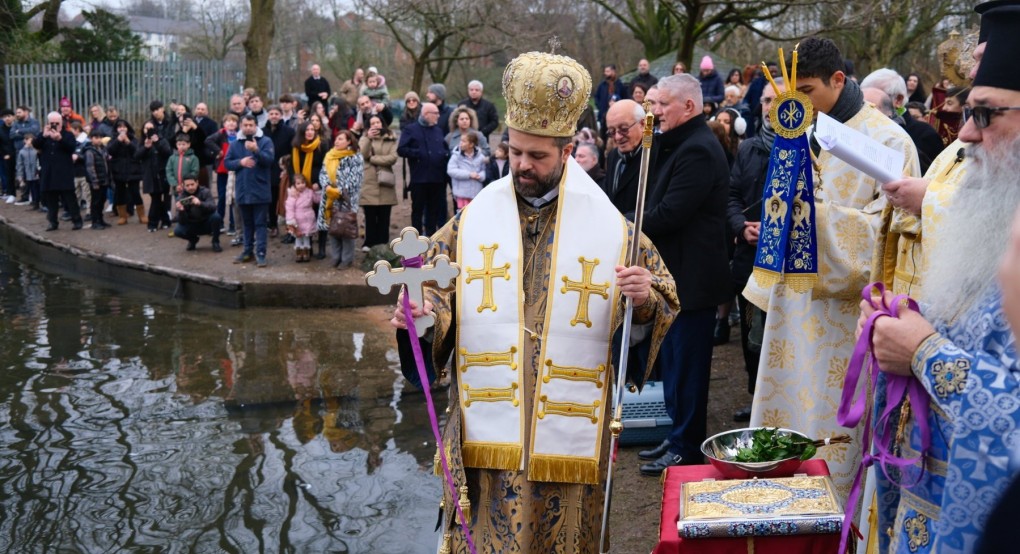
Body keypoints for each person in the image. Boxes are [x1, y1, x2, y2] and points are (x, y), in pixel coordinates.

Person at [391, 50, 678, 554]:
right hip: (487, 433)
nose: (522, 165)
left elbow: (662, 296)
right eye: (515, 151)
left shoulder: (610, 226)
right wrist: (422, 315)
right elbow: (435, 282)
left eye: (537, 156)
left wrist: (644, 300)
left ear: (566, 151)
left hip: (567, 438)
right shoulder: (473, 218)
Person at [741, 37, 921, 501]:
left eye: (806, 90)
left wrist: (812, 220)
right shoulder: (797, 129)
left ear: (838, 80)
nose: (796, 102)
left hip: (846, 326)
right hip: (792, 314)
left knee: (835, 450)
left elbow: (893, 238)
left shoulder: (889, 140)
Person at [867, 4, 1015, 550]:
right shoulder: (999, 212)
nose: (966, 137)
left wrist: (924, 352)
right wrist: (906, 327)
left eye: (985, 115)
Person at [634, 74, 732, 476]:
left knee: (688, 370)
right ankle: (675, 436)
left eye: (662, 105)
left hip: (694, 279)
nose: (654, 112)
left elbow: (671, 213)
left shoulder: (698, 150)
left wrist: (629, 224)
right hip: (676, 276)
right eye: (653, 104)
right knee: (672, 363)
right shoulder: (678, 143)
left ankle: (687, 446)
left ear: (689, 106)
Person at [727, 79, 784, 422]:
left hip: (787, 264)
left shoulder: (809, 147)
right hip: (749, 259)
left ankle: (781, 398)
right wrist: (740, 226)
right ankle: (756, 397)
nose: (769, 107)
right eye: (765, 100)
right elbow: (732, 196)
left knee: (781, 332)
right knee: (751, 334)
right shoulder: (748, 148)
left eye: (776, 101)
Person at [861, 68, 946, 174]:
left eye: (876, 95)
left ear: (898, 100)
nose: (864, 104)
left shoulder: (926, 135)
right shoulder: (860, 125)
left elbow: (929, 179)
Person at [225, 115, 275, 268]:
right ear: (241, 126)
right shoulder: (235, 144)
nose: (248, 128)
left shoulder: (265, 141)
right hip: (242, 190)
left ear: (255, 126)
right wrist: (241, 162)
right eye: (245, 125)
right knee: (247, 224)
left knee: (260, 224)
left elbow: (269, 160)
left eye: (250, 125)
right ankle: (247, 251)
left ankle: (260, 253)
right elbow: (227, 163)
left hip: (260, 190)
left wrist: (256, 150)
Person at [397, 101, 449, 237]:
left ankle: (431, 237)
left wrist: (444, 155)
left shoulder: (438, 130)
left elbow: (444, 148)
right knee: (418, 210)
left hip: (437, 178)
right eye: (435, 113)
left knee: (433, 210)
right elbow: (401, 149)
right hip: (419, 178)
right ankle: (416, 237)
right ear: (426, 114)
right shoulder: (410, 129)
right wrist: (418, 154)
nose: (438, 116)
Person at [317, 130, 362, 269]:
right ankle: (335, 257)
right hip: (329, 196)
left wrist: (340, 190)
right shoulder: (330, 155)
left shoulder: (355, 157)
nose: (337, 141)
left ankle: (347, 259)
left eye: (341, 139)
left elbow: (356, 179)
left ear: (349, 141)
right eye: (336, 139)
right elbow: (323, 173)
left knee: (346, 227)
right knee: (333, 227)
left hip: (346, 198)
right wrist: (327, 186)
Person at [34, 112, 83, 231]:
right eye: (52, 123)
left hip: (64, 172)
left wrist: (60, 139)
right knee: (51, 200)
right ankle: (52, 222)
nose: (55, 125)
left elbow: (72, 147)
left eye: (57, 123)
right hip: (49, 172)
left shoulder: (67, 134)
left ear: (61, 123)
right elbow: (36, 144)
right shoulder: (43, 134)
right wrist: (44, 136)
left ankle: (77, 220)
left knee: (70, 198)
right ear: (48, 123)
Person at [601, 99, 647, 219]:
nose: (617, 137)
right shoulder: (613, 156)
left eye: (624, 129)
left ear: (643, 124)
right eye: (611, 131)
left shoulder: (656, 154)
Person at [358, 114, 398, 250]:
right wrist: (368, 138)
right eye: (372, 123)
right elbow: (362, 155)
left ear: (382, 123)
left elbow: (392, 158)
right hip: (368, 180)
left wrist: (373, 159)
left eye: (378, 122)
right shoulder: (364, 138)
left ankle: (383, 243)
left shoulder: (391, 138)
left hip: (385, 181)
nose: (376, 125)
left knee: (384, 216)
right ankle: (369, 243)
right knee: (370, 215)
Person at [262, 104, 295, 238]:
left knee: (285, 200)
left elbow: (292, 151)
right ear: (268, 116)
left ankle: (289, 227)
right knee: (271, 199)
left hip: (283, 171)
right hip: (268, 170)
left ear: (281, 115)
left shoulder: (289, 132)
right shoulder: (263, 132)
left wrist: (286, 165)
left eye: (276, 114)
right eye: (271, 114)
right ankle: (273, 225)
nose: (274, 116)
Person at [135, 120, 173, 232]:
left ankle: (156, 222)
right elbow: (137, 156)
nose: (148, 131)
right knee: (156, 199)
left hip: (162, 175)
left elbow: (168, 153)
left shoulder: (162, 140)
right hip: (149, 176)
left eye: (151, 128)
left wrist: (157, 142)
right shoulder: (142, 142)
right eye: (146, 128)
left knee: (160, 200)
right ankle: (158, 222)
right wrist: (146, 148)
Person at [205, 114, 240, 233]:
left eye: (234, 121)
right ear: (224, 124)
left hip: (235, 170)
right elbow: (208, 140)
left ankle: (232, 224)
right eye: (228, 121)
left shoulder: (239, 135)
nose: (231, 123)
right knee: (222, 197)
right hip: (222, 170)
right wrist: (218, 151)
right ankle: (218, 223)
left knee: (233, 198)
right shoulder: (220, 133)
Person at [107, 120, 144, 225]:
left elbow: (137, 151)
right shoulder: (113, 140)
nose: (122, 129)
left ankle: (142, 215)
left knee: (135, 193)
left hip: (133, 170)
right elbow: (110, 151)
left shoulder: (134, 139)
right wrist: (118, 141)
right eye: (119, 127)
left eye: (124, 127)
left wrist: (128, 142)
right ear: (116, 129)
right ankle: (123, 216)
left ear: (128, 128)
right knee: (120, 193)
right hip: (118, 170)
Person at [174, 175, 222, 252]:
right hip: (192, 224)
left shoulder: (205, 191)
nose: (190, 187)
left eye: (192, 184)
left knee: (216, 217)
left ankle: (215, 241)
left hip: (206, 222)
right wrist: (181, 211)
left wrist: (200, 204)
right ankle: (193, 240)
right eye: (187, 185)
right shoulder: (181, 198)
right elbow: (181, 221)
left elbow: (213, 207)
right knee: (177, 231)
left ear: (197, 183)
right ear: (183, 186)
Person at [447, 132, 487, 211]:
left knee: (475, 213)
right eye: (460, 141)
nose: (460, 143)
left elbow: (484, 170)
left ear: (471, 144)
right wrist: (469, 174)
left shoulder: (481, 157)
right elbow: (451, 170)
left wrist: (480, 176)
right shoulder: (456, 156)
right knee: (462, 216)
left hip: (476, 193)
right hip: (461, 194)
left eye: (464, 141)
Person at [80, 130, 112, 230]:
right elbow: (90, 168)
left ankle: (100, 219)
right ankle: (95, 221)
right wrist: (94, 181)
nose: (99, 140)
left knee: (102, 200)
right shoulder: (90, 151)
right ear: (91, 139)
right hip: (96, 181)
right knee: (96, 201)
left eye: (100, 138)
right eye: (96, 138)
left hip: (103, 179)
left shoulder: (102, 149)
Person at [284, 174, 318, 262]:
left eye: (303, 183)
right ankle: (299, 254)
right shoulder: (293, 194)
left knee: (306, 236)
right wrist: (291, 221)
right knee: (298, 237)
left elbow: (317, 199)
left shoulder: (310, 192)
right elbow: (289, 208)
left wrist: (318, 191)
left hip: (308, 219)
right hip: (297, 220)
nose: (301, 185)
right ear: (294, 184)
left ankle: (306, 253)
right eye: (298, 183)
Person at [593, 64, 628, 142]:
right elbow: (596, 97)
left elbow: (625, 98)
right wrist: (600, 107)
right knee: (604, 136)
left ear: (613, 71)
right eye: (605, 71)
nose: (606, 73)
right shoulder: (602, 85)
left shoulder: (620, 85)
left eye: (608, 71)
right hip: (604, 116)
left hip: (618, 115)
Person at [15, 134, 40, 210]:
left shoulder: (36, 150)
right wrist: (20, 176)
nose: (30, 142)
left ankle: (38, 202)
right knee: (31, 188)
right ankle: (34, 203)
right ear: (25, 141)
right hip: (27, 174)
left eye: (32, 140)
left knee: (37, 188)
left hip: (36, 173)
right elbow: (20, 164)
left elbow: (38, 161)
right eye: (29, 140)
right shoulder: (21, 152)